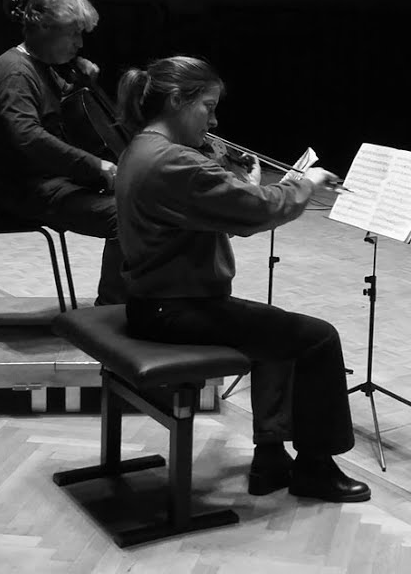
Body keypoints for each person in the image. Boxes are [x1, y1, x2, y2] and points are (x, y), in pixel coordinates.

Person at [113, 55, 370, 503]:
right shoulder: (175, 162)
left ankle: (271, 458)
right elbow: (259, 211)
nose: (214, 120)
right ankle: (315, 468)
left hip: (155, 301)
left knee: (273, 332)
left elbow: (217, 213)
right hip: (176, 308)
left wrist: (242, 186)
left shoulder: (142, 147)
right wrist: (303, 184)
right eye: (207, 106)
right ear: (176, 99)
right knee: (317, 339)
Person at [0, 0, 126, 305]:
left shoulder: (43, 68)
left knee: (142, 201)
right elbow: (27, 137)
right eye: (72, 33)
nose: (79, 44)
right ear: (43, 27)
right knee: (127, 215)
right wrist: (94, 165)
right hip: (23, 189)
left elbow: (62, 116)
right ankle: (112, 313)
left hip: (48, 181)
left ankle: (139, 298)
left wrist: (81, 83)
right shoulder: (15, 73)